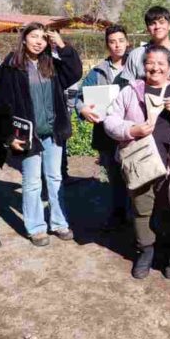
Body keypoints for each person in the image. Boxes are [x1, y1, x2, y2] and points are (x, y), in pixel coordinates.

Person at [0, 22, 82, 246]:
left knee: (55, 178)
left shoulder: (50, 63)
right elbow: (0, 105)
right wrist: (9, 137)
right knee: (31, 182)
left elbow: (75, 71)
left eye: (43, 38)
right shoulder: (11, 66)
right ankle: (36, 227)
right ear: (24, 38)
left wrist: (61, 45)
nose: (39, 42)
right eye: (34, 36)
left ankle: (59, 223)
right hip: (28, 135)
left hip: (53, 132)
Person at [104, 45, 170, 279]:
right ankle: (146, 251)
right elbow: (110, 120)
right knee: (142, 209)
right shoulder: (132, 90)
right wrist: (132, 129)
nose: (155, 68)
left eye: (161, 63)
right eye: (150, 63)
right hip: (140, 163)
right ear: (143, 66)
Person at [75, 24, 130, 229]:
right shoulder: (97, 71)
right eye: (112, 42)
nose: (117, 46)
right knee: (114, 176)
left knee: (135, 174)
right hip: (106, 133)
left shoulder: (138, 67)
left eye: (121, 41)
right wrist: (82, 110)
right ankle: (118, 215)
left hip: (131, 132)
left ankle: (137, 218)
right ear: (107, 45)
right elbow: (80, 97)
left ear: (128, 42)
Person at [119, 6, 170, 83]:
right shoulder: (136, 55)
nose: (157, 26)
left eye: (161, 22)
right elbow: (127, 90)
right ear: (147, 28)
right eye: (152, 23)